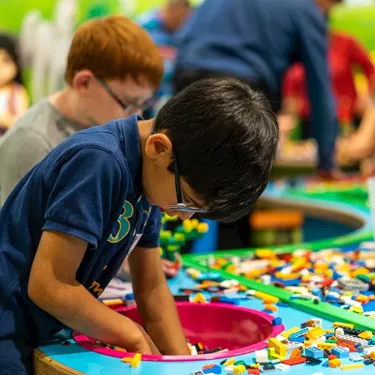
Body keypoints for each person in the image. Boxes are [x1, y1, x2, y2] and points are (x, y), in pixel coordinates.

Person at [0, 77, 279, 374]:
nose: (182, 217)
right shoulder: (99, 163)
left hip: (44, 331)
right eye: (185, 201)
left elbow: (152, 286)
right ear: (160, 148)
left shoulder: (151, 178)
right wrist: (133, 334)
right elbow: (50, 285)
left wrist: (186, 365)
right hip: (8, 328)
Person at [0, 15, 163, 207]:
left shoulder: (107, 128)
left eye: (143, 104)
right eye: (128, 102)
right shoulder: (32, 141)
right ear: (84, 83)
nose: (137, 115)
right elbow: (23, 233)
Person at [174, 0, 343, 175]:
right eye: (330, 8)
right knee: (232, 182)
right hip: (242, 87)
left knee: (187, 169)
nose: (327, 16)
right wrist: (326, 162)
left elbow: (182, 39)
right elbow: (320, 86)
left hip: (186, 76)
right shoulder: (306, 9)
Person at [283, 31, 375, 139]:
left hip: (345, 117)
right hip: (311, 121)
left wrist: (368, 96)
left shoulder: (344, 43)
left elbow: (370, 69)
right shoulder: (297, 49)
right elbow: (290, 82)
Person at [137, 0, 191, 118]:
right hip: (144, 92)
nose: (183, 22)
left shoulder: (182, 32)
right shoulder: (145, 26)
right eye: (181, 17)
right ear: (170, 9)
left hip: (167, 95)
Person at [0, 33, 29, 135]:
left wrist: (7, 121)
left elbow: (22, 124)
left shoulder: (18, 92)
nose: (1, 68)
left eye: (6, 61)